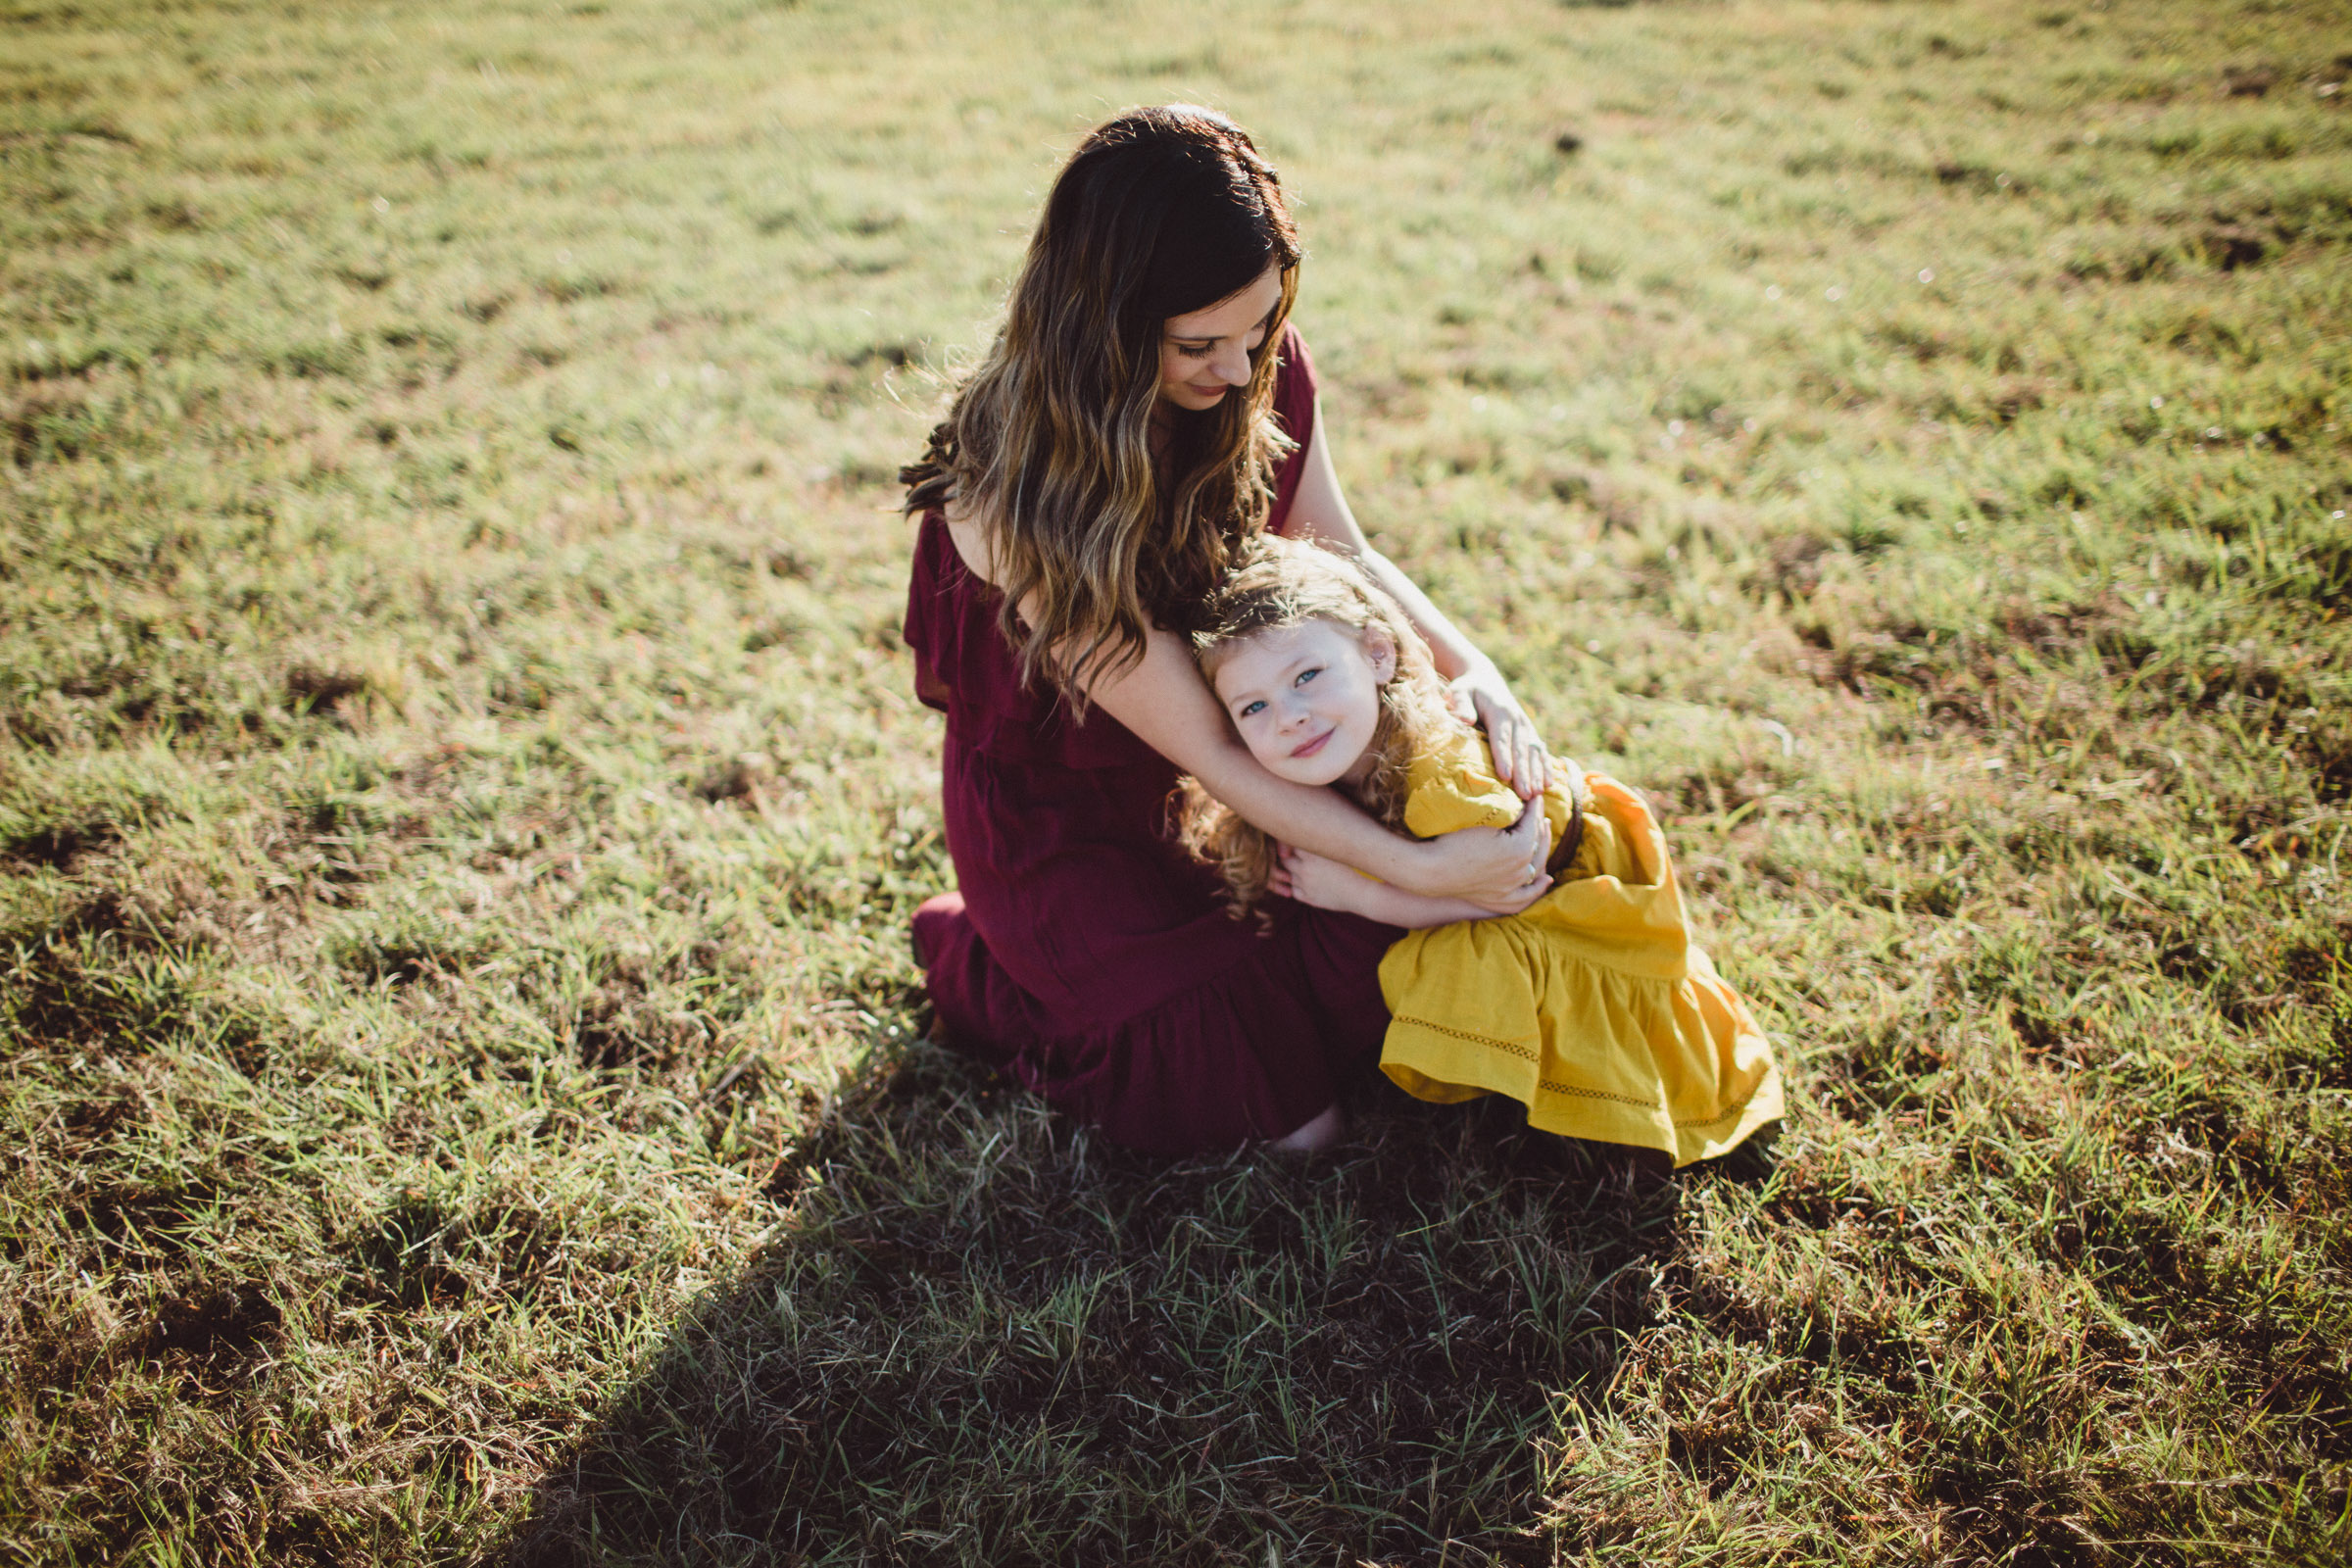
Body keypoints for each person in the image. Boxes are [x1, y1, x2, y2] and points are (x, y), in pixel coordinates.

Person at [898, 105, 1555, 1156]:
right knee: (1295, 1126)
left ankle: (1281, 919)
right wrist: (1416, 876)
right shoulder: (1007, 496)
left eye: (1260, 331)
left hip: (1245, 751)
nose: (1241, 370)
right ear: (1099, 323)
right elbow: (1198, 741)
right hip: (1067, 821)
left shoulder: (1252, 361)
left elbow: (1344, 553)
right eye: (1200, 344)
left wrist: (1479, 674)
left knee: (1403, 981)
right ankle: (990, 964)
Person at [1174, 536, 1784, 1167]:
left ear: (1378, 655)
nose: (1290, 716)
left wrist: (1355, 892)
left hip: (1564, 902)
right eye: (1254, 707)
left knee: (1442, 968)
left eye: (1307, 676)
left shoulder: (1448, 771)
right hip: (1501, 895)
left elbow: (1495, 900)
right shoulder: (1328, 769)